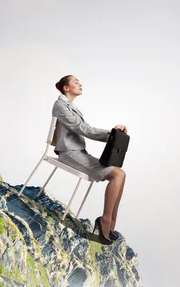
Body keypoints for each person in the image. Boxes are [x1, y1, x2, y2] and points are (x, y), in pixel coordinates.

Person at [52, 75, 127, 245]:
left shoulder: (71, 107)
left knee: (121, 174)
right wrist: (111, 133)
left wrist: (114, 134)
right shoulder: (60, 106)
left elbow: (85, 129)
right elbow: (83, 129)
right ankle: (105, 221)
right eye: (76, 82)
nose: (80, 84)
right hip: (69, 153)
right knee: (116, 175)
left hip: (79, 151)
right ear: (66, 88)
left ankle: (111, 223)